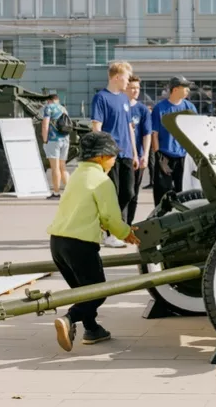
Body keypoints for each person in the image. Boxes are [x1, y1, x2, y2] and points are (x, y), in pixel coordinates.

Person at [48, 132, 141, 352]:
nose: (114, 161)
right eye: (113, 157)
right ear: (101, 157)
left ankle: (92, 329)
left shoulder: (76, 176)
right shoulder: (101, 180)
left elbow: (83, 209)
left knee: (83, 291)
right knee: (98, 291)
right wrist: (126, 233)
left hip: (57, 243)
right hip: (80, 245)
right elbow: (111, 218)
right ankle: (69, 319)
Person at [91, 62, 140, 249]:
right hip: (109, 155)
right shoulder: (101, 98)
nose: (128, 81)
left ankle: (111, 227)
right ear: (117, 77)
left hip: (126, 152)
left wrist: (135, 154)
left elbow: (129, 128)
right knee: (112, 193)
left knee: (128, 192)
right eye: (127, 77)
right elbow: (97, 127)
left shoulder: (124, 100)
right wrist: (101, 152)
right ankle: (111, 233)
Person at [151, 76, 198, 206]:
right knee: (162, 190)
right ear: (175, 89)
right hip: (165, 155)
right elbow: (154, 134)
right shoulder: (160, 108)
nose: (188, 90)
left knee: (182, 189)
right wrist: (157, 154)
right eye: (185, 87)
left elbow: (195, 131)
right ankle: (160, 216)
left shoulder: (190, 108)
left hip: (184, 155)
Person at [125, 76, 152, 224]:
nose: (135, 91)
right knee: (122, 192)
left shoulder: (142, 110)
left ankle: (128, 224)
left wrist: (146, 155)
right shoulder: (120, 106)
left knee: (134, 193)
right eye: (132, 87)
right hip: (122, 156)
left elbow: (146, 134)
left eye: (137, 88)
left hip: (138, 156)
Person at [41, 94, 71, 199]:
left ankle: (56, 193)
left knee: (55, 168)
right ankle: (70, 192)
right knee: (63, 167)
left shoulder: (49, 108)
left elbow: (45, 124)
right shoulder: (63, 108)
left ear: (49, 100)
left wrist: (45, 140)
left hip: (54, 140)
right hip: (66, 140)